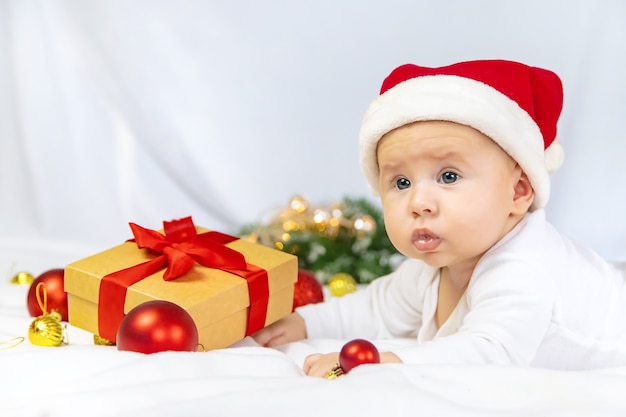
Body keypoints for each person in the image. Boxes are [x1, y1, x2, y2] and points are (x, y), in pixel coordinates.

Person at [252, 59, 626, 377]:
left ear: (518, 192)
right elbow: (375, 308)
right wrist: (306, 323)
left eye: (449, 176)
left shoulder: (525, 271)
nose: (419, 202)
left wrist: (389, 362)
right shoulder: (438, 265)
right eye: (400, 182)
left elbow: (487, 354)